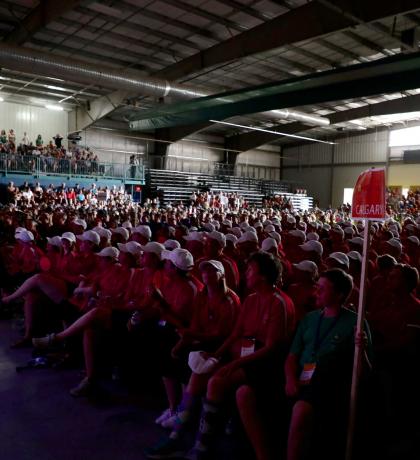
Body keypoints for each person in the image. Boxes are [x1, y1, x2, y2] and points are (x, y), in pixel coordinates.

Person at [284, 269, 372, 460]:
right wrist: (290, 378)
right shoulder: (310, 318)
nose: (317, 293)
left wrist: (361, 349)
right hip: (300, 377)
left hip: (329, 384)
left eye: (322, 289)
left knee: (301, 410)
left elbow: (364, 372)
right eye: (318, 288)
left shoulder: (355, 323)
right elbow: (292, 356)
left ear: (339, 294)